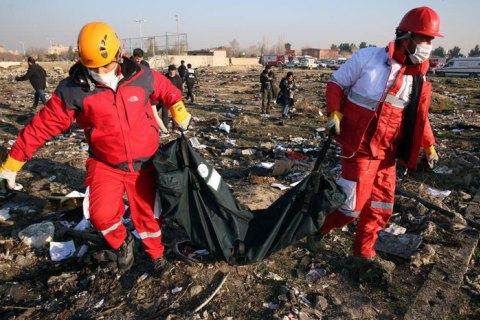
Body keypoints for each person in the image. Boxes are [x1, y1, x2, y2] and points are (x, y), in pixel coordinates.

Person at [0, 22, 191, 273]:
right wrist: (12, 164)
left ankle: (156, 256)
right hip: (105, 164)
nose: (101, 71)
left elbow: (168, 91)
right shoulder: (73, 90)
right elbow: (41, 127)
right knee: (100, 214)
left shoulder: (142, 75)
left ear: (118, 53)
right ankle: (123, 243)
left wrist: (178, 109)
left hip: (145, 165)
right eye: (94, 67)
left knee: (148, 215)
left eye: (107, 64)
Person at [308, 7, 441, 269]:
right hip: (359, 147)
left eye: (431, 41)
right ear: (406, 36)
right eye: (424, 39)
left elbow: (419, 117)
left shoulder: (418, 79)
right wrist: (334, 113)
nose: (428, 46)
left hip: (387, 153)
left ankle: (363, 252)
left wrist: (430, 145)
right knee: (351, 207)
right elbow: (335, 83)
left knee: (380, 206)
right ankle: (318, 229)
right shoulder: (368, 59)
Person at [161, 65, 184, 131]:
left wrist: (180, 96)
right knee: (165, 112)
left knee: (175, 113)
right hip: (166, 98)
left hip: (175, 98)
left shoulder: (178, 78)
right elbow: (162, 87)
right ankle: (165, 128)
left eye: (173, 71)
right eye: (171, 71)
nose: (172, 72)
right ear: (168, 70)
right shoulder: (165, 77)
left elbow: (180, 88)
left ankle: (174, 127)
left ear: (175, 71)